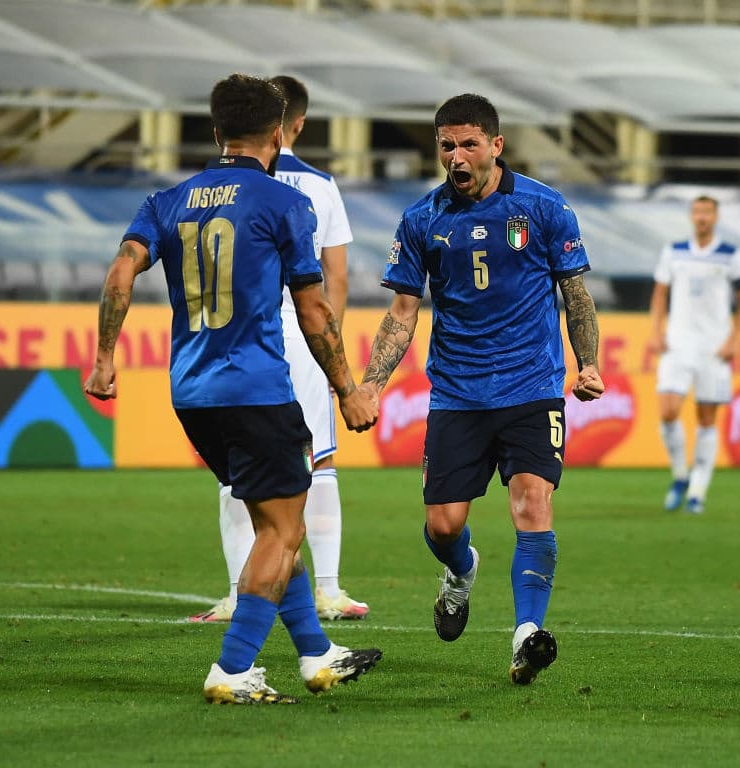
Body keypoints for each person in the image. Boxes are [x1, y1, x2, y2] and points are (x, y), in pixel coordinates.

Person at [84, 74, 382, 705]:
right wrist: (348, 388)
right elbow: (313, 310)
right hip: (257, 389)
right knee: (282, 531)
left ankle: (318, 656)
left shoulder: (165, 202)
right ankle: (233, 667)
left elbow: (119, 273)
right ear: (279, 133)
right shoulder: (284, 203)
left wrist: (105, 357)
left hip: (192, 393)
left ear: (216, 133)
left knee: (275, 521)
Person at [361, 94, 605, 686]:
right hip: (457, 393)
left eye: (469, 144)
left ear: (496, 145)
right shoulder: (422, 219)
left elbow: (575, 293)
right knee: (443, 526)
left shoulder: (544, 208)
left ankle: (527, 634)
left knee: (532, 501)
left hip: (531, 387)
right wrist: (371, 383)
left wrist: (589, 364)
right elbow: (401, 312)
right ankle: (461, 572)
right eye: (447, 145)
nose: (457, 156)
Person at [190, 74, 368, 624]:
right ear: (295, 125)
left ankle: (235, 590)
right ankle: (331, 589)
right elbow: (333, 280)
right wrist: (333, 352)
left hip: (230, 341)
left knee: (236, 472)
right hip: (299, 329)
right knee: (319, 462)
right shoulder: (318, 186)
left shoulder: (201, 190)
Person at [646, 195, 740, 514]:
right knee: (668, 410)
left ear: (716, 216)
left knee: (707, 418)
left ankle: (697, 491)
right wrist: (656, 330)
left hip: (714, 347)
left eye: (707, 212)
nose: (701, 217)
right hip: (678, 342)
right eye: (697, 211)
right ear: (692, 217)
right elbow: (659, 294)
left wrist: (734, 338)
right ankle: (680, 475)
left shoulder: (731, 255)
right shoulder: (674, 251)